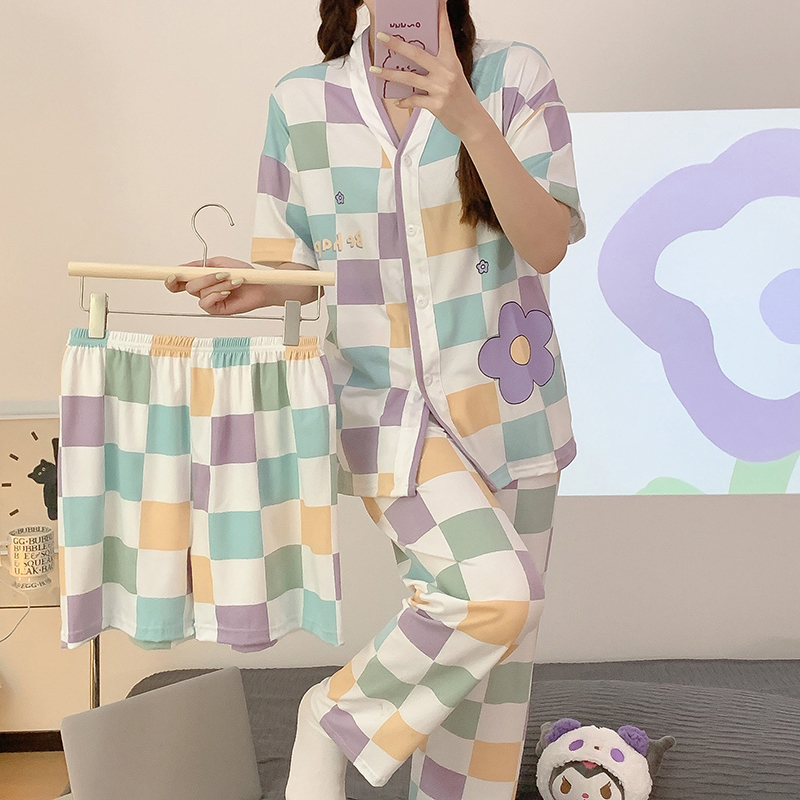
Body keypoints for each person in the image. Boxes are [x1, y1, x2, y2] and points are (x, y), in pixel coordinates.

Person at [165, 1, 586, 798]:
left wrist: (469, 118)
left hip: (514, 409)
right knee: (495, 595)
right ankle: (334, 717)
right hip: (383, 413)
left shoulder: (514, 77)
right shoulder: (301, 102)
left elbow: (547, 244)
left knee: (490, 698)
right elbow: (298, 269)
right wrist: (251, 284)